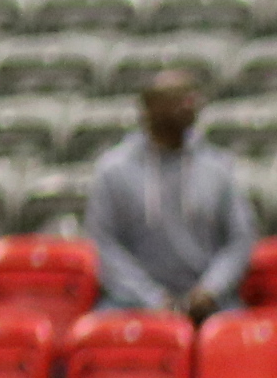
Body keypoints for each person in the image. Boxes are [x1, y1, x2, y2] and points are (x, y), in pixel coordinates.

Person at [84, 72, 254, 319]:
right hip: (132, 305)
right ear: (148, 108)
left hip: (211, 304)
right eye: (177, 98)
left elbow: (240, 239)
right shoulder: (113, 170)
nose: (189, 105)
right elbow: (103, 245)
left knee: (241, 335)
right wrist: (152, 299)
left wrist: (210, 290)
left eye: (192, 97)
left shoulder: (219, 168)